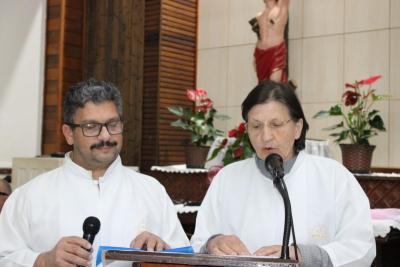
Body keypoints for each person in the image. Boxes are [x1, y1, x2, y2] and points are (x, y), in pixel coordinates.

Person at [0, 79, 189, 267]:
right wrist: (41, 261)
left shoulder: (151, 191)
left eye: (113, 124)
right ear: (69, 133)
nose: (105, 136)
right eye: (91, 127)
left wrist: (160, 254)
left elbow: (186, 260)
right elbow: (4, 257)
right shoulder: (30, 196)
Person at [191, 81, 376, 267]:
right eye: (256, 126)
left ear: (297, 128)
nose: (265, 136)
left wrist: (307, 256)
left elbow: (362, 247)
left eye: (276, 124)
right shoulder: (227, 179)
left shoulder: (334, 177)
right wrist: (212, 243)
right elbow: (199, 241)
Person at [252, 0, 289, 83]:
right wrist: (254, 56)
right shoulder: (259, 16)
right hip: (260, 53)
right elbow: (260, 37)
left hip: (275, 52)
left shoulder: (280, 9)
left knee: (274, 85)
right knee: (262, 85)